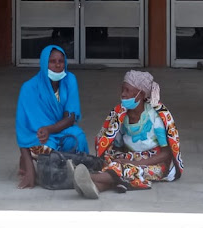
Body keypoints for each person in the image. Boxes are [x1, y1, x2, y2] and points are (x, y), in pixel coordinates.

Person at [72, 70, 183, 199]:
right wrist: (120, 158)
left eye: (127, 90)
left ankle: (89, 178)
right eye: (122, 90)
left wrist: (135, 164)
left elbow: (166, 153)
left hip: (155, 162)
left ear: (140, 94)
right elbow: (114, 143)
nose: (123, 94)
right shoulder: (121, 113)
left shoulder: (156, 116)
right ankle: (96, 187)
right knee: (112, 160)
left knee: (127, 169)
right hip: (131, 156)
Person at [16, 45, 88, 189]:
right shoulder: (29, 88)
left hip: (58, 129)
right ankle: (27, 162)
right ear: (44, 63)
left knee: (78, 136)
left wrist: (50, 129)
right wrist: (31, 172)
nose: (57, 65)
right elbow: (23, 132)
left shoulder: (70, 80)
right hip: (40, 136)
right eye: (52, 61)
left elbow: (70, 118)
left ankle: (82, 171)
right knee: (42, 148)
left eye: (61, 61)